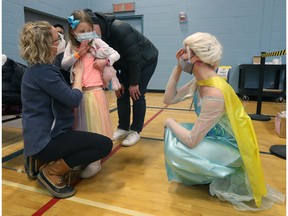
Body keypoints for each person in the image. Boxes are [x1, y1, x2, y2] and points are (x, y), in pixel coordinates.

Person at [163, 32, 285, 210]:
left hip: (232, 148)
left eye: (185, 51)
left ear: (196, 57)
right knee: (174, 134)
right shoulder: (200, 82)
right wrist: (178, 68)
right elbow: (169, 99)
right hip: (217, 137)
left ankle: (218, 171)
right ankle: (207, 171)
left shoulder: (214, 93)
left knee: (175, 144)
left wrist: (169, 121)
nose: (181, 55)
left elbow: (191, 140)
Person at [19, 21, 113, 198]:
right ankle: (52, 172)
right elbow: (74, 99)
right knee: (104, 145)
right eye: (57, 39)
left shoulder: (34, 68)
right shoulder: (44, 72)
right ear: (48, 46)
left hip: (35, 137)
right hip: (46, 140)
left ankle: (36, 159)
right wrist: (78, 76)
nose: (62, 41)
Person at [84, 9, 159, 147]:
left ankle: (135, 130)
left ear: (97, 23)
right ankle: (123, 128)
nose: (88, 34)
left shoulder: (120, 28)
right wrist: (117, 81)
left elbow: (134, 57)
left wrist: (134, 83)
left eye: (89, 29)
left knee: (137, 94)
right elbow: (111, 58)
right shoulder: (98, 37)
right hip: (124, 62)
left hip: (145, 60)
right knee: (121, 93)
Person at [61, 10, 120, 178]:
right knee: (80, 127)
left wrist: (105, 61)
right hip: (78, 92)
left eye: (88, 30)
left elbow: (116, 54)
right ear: (73, 31)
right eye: (81, 31)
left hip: (94, 92)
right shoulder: (71, 46)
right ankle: (84, 156)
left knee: (95, 127)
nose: (85, 34)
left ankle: (95, 162)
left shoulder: (97, 42)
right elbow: (64, 64)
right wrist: (79, 53)